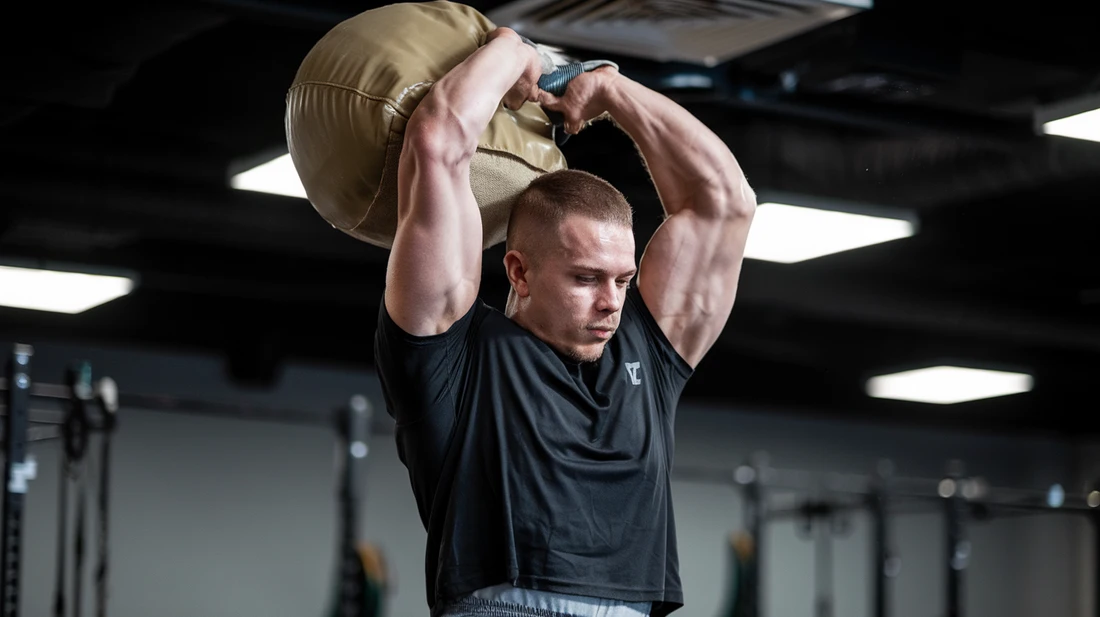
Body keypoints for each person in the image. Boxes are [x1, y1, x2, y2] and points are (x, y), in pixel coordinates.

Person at [373, 25, 756, 617]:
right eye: (586, 278)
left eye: (623, 280)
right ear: (519, 273)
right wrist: (514, 52)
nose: (612, 302)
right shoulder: (453, 353)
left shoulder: (647, 357)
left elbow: (725, 202)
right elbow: (438, 144)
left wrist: (612, 91)